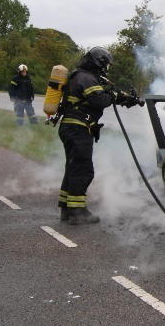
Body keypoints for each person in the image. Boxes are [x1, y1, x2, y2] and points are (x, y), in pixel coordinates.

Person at [57, 47, 141, 225]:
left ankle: (66, 210)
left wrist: (125, 99)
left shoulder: (82, 76)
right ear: (99, 63)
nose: (107, 69)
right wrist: (113, 95)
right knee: (83, 169)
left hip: (72, 128)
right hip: (78, 129)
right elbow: (99, 99)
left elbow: (101, 95)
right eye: (106, 65)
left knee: (73, 168)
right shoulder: (86, 78)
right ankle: (77, 212)